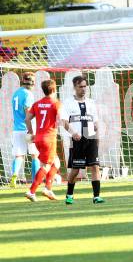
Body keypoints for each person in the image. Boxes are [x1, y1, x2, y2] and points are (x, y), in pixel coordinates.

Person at [61, 75, 104, 204]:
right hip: (77, 140)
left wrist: (97, 132)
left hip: (90, 138)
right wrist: (73, 133)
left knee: (95, 166)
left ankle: (96, 197)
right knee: (76, 170)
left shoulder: (91, 102)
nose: (84, 89)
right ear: (75, 87)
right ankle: (69, 195)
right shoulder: (68, 102)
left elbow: (95, 121)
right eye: (81, 87)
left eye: (85, 86)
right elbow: (64, 121)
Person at [25, 79, 61, 202]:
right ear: (54, 89)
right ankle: (31, 191)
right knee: (46, 166)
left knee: (56, 163)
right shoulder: (56, 103)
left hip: (38, 139)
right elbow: (61, 118)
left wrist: (30, 132)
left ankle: (48, 188)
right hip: (49, 138)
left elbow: (27, 119)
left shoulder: (37, 103)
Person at [10, 72, 40, 187]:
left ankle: (14, 175)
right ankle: (35, 179)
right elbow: (28, 113)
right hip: (28, 128)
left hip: (17, 129)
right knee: (34, 155)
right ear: (33, 83)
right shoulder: (28, 94)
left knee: (19, 155)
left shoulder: (16, 94)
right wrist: (31, 130)